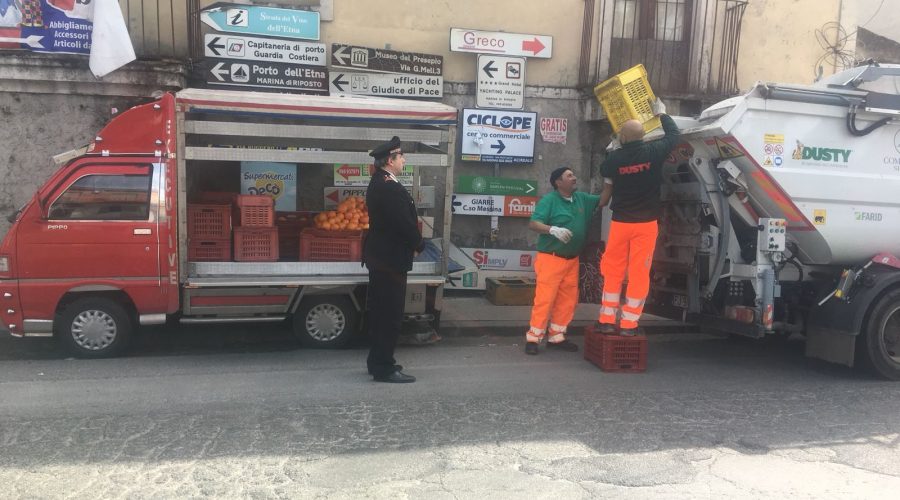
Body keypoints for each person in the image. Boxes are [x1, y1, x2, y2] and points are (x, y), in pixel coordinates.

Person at [596, 100, 680, 336]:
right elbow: (674, 135)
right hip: (646, 224)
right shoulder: (653, 152)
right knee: (639, 273)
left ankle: (606, 320)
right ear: (642, 137)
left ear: (622, 136)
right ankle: (629, 324)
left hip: (621, 223)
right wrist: (662, 114)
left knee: (613, 269)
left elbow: (606, 177)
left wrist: (613, 148)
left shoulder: (614, 160)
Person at [363, 136, 424, 383]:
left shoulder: (381, 181)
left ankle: (377, 361)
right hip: (389, 261)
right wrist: (419, 244)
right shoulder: (389, 186)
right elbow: (403, 224)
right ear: (390, 160)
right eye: (401, 156)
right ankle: (384, 368)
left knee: (380, 314)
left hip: (382, 258)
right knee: (389, 316)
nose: (404, 160)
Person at [525, 167, 601, 355]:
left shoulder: (581, 198)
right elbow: (534, 223)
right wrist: (552, 230)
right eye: (569, 176)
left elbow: (604, 201)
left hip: (571, 260)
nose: (574, 178)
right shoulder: (549, 201)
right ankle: (533, 338)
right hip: (551, 258)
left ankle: (556, 337)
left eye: (574, 174)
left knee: (567, 301)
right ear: (558, 182)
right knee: (545, 300)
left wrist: (610, 182)